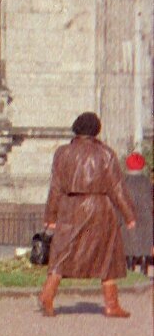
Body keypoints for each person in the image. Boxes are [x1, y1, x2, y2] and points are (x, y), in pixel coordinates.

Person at [38, 112, 135, 317]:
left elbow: (55, 187)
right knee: (108, 255)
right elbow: (116, 188)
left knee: (62, 253)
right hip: (100, 208)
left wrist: (51, 217)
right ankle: (111, 305)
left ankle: (48, 294)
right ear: (96, 130)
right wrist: (129, 215)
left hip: (70, 207)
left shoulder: (62, 153)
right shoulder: (106, 154)